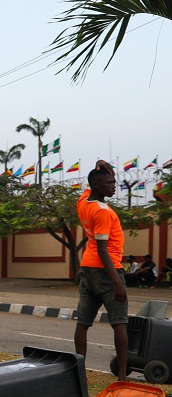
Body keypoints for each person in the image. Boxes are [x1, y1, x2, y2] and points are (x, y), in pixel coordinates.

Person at [74, 159, 128, 382]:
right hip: (108, 269)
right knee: (119, 322)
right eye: (109, 182)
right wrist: (116, 282)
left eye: (114, 182)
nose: (113, 186)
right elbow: (104, 250)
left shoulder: (83, 201)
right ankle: (123, 377)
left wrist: (102, 167)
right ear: (97, 186)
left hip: (87, 268)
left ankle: (78, 372)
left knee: (83, 322)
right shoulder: (103, 212)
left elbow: (88, 184)